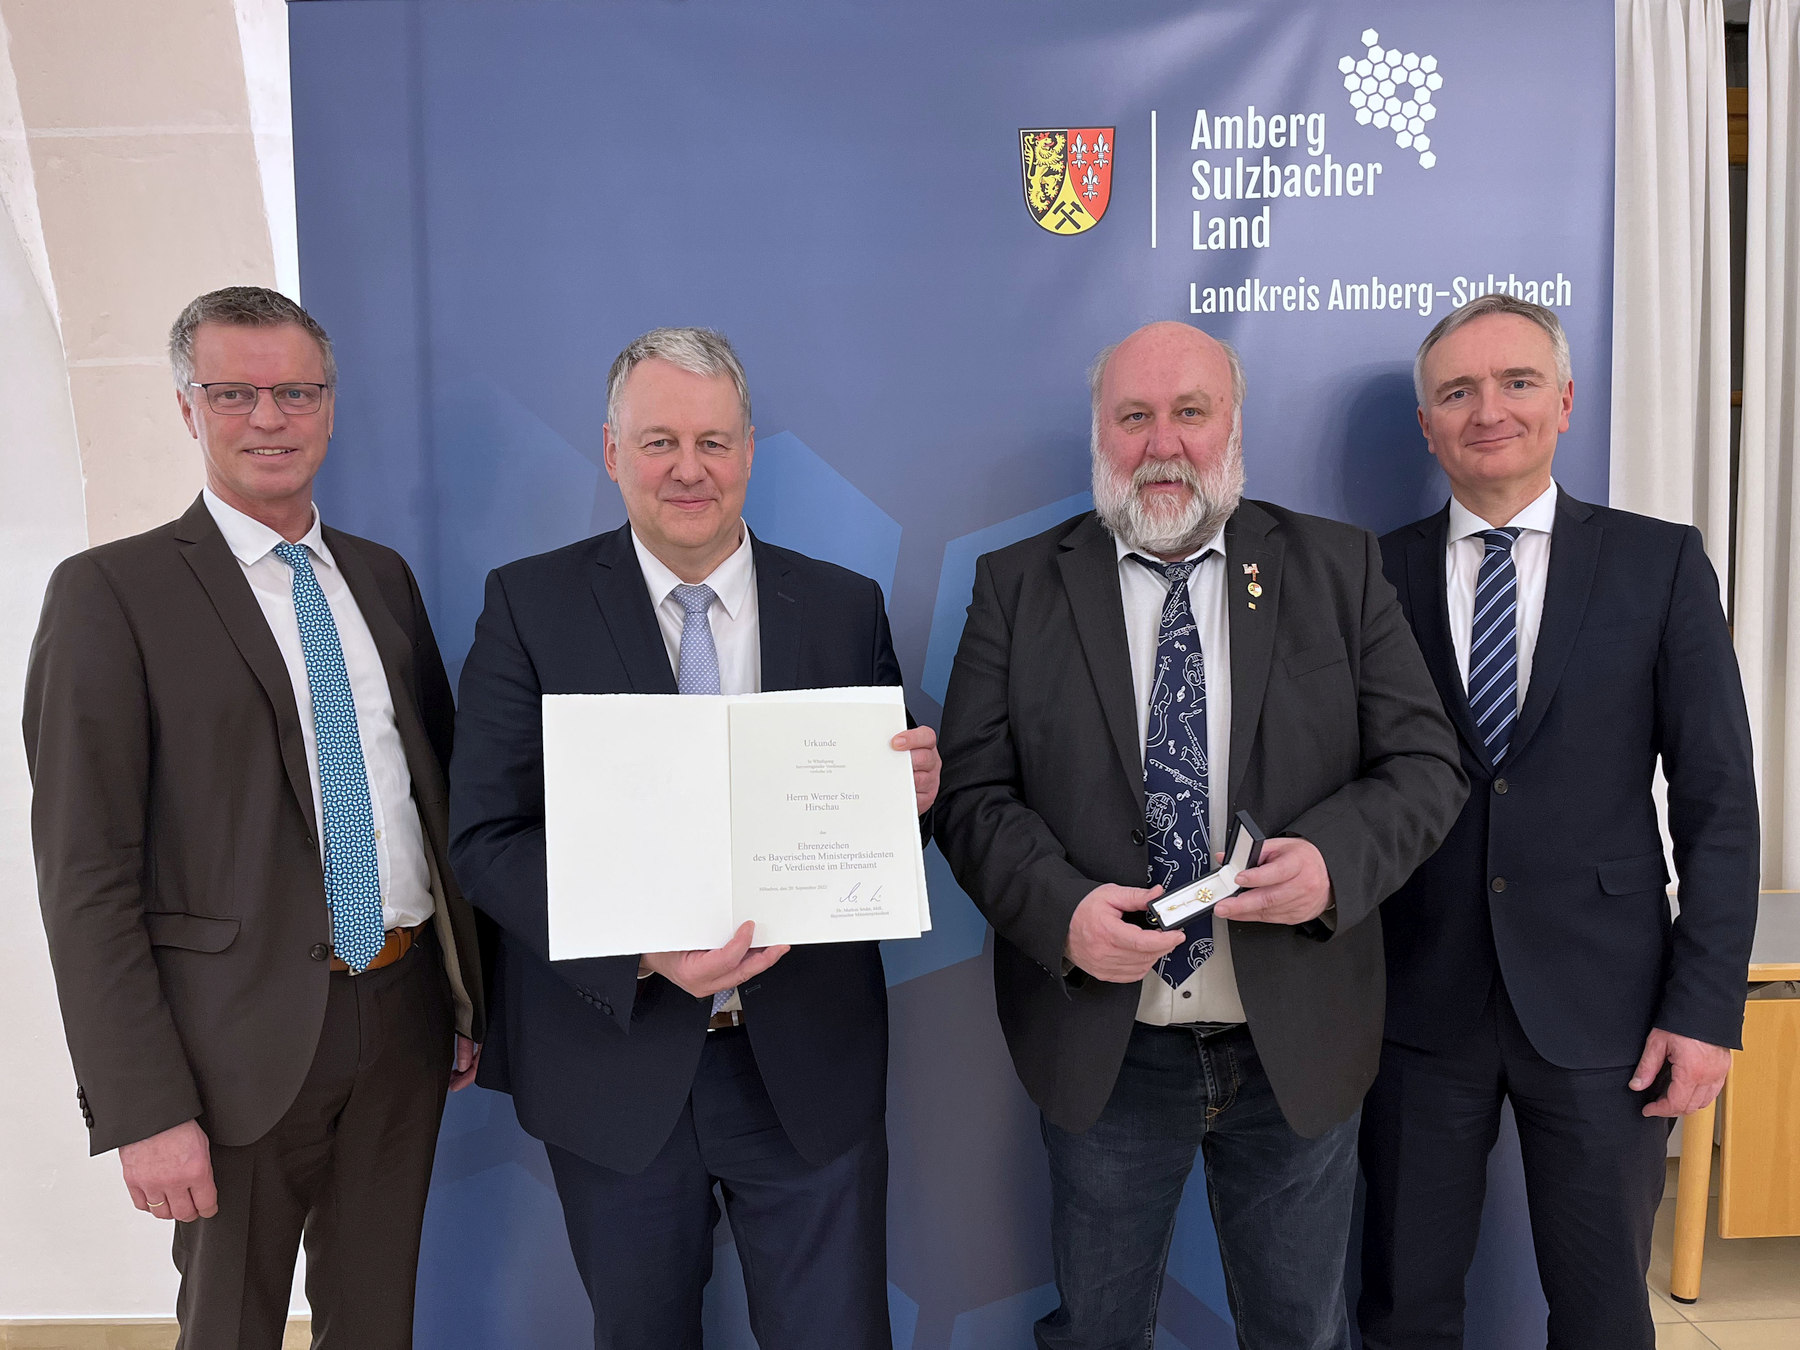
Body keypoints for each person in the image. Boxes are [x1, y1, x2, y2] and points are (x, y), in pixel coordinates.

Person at [933, 320, 1466, 1350]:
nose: (1162, 443)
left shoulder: (1335, 568)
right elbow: (973, 795)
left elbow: (1424, 766)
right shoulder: (1017, 586)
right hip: (1106, 1043)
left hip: (1296, 1041)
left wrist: (1333, 868)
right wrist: (1062, 914)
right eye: (1135, 416)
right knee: (1097, 1332)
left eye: (1190, 412)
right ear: (1100, 430)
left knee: (1301, 1332)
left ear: (1232, 425)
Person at [449, 326, 940, 1350]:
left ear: (751, 451)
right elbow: (485, 837)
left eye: (713, 442)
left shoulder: (845, 607)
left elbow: (873, 844)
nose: (688, 469)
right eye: (660, 440)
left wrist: (909, 800)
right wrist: (638, 945)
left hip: (805, 1063)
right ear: (611, 448)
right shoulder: (530, 604)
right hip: (613, 1066)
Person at [23, 286, 486, 1350]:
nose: (268, 418)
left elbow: (430, 794)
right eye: (235, 392)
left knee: (377, 1325)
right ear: (189, 408)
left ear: (330, 407)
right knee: (229, 1329)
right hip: (227, 1051)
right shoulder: (110, 595)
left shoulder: (381, 578)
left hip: (404, 1013)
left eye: (295, 392)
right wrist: (142, 1106)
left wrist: (464, 993)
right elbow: (84, 876)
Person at [1358, 293, 1760, 1349]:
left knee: (1602, 1314)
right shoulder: (1368, 576)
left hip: (1607, 1012)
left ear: (1567, 401)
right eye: (1458, 391)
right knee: (1402, 1309)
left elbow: (1720, 802)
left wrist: (1707, 1007)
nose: (1488, 409)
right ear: (1427, 425)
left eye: (1517, 381)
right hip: (1413, 1002)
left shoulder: (1658, 564)